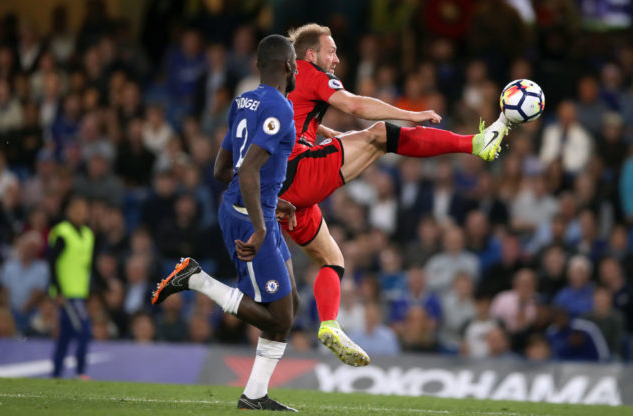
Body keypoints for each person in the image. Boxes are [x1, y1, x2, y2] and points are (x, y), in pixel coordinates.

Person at [279, 23, 511, 364]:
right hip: (298, 174)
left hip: (277, 192)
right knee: (380, 134)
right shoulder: (310, 72)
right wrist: (410, 115)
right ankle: (476, 143)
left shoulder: (280, 80)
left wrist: (323, 133)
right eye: (332, 52)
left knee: (332, 260)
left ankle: (328, 323)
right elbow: (355, 106)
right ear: (311, 54)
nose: (338, 60)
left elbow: (293, 123)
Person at [151, 34, 300, 411]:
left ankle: (254, 396)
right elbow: (246, 170)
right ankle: (196, 278)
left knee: (290, 304)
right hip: (249, 217)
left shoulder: (241, 100)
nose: (297, 66)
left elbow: (222, 168)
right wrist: (261, 224)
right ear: (286, 64)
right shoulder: (280, 107)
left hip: (252, 206)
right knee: (279, 317)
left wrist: (271, 200)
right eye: (295, 59)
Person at [49, 196, 94, 379]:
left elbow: (89, 265)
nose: (80, 213)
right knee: (84, 331)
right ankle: (80, 372)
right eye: (76, 209)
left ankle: (56, 373)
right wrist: (58, 290)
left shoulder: (88, 235)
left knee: (66, 336)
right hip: (67, 294)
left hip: (80, 293)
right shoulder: (62, 233)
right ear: (69, 211)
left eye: (83, 209)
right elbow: (52, 262)